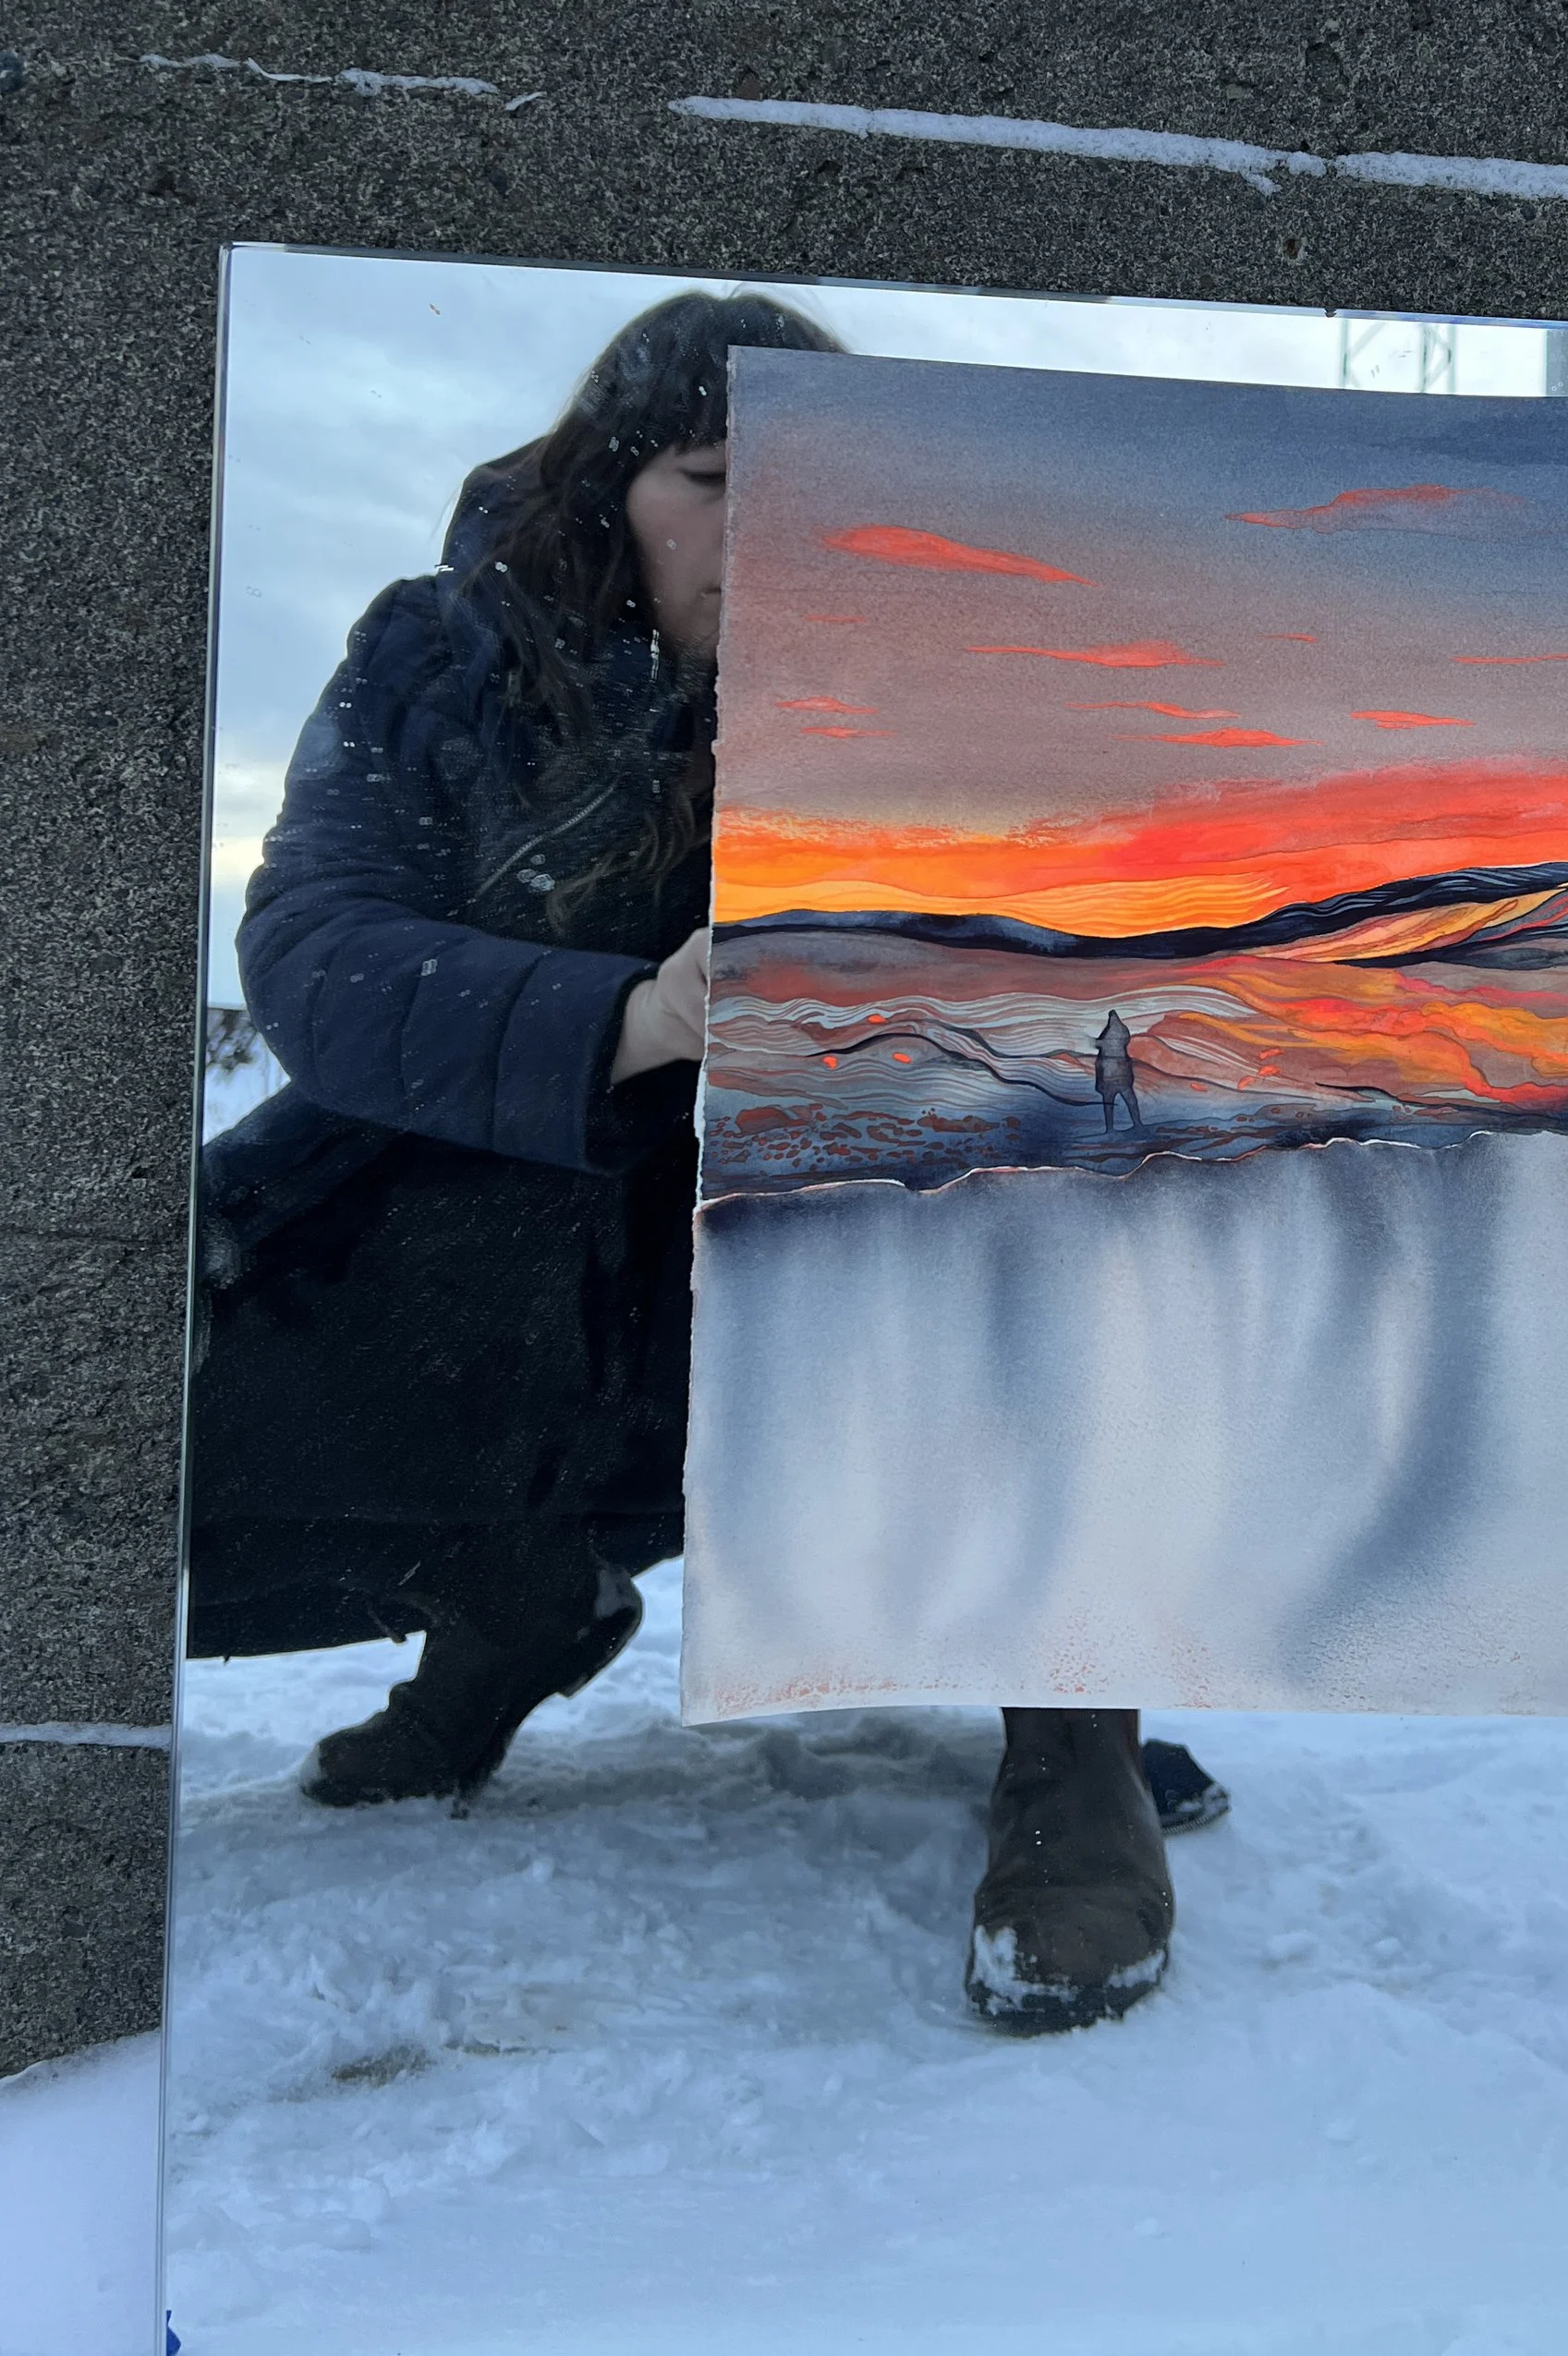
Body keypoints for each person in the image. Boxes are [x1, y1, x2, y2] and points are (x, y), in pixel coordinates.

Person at [189, 289, 1217, 2034]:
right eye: (718, 474)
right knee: (161, 1375)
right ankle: (513, 1593)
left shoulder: (968, 683)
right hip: (515, 1225)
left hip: (841, 1246)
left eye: (818, 487)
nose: (770, 526)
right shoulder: (440, 650)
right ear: (611, 488)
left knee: (1093, 1173)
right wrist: (633, 1019)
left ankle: (1074, 1722)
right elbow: (312, 953)